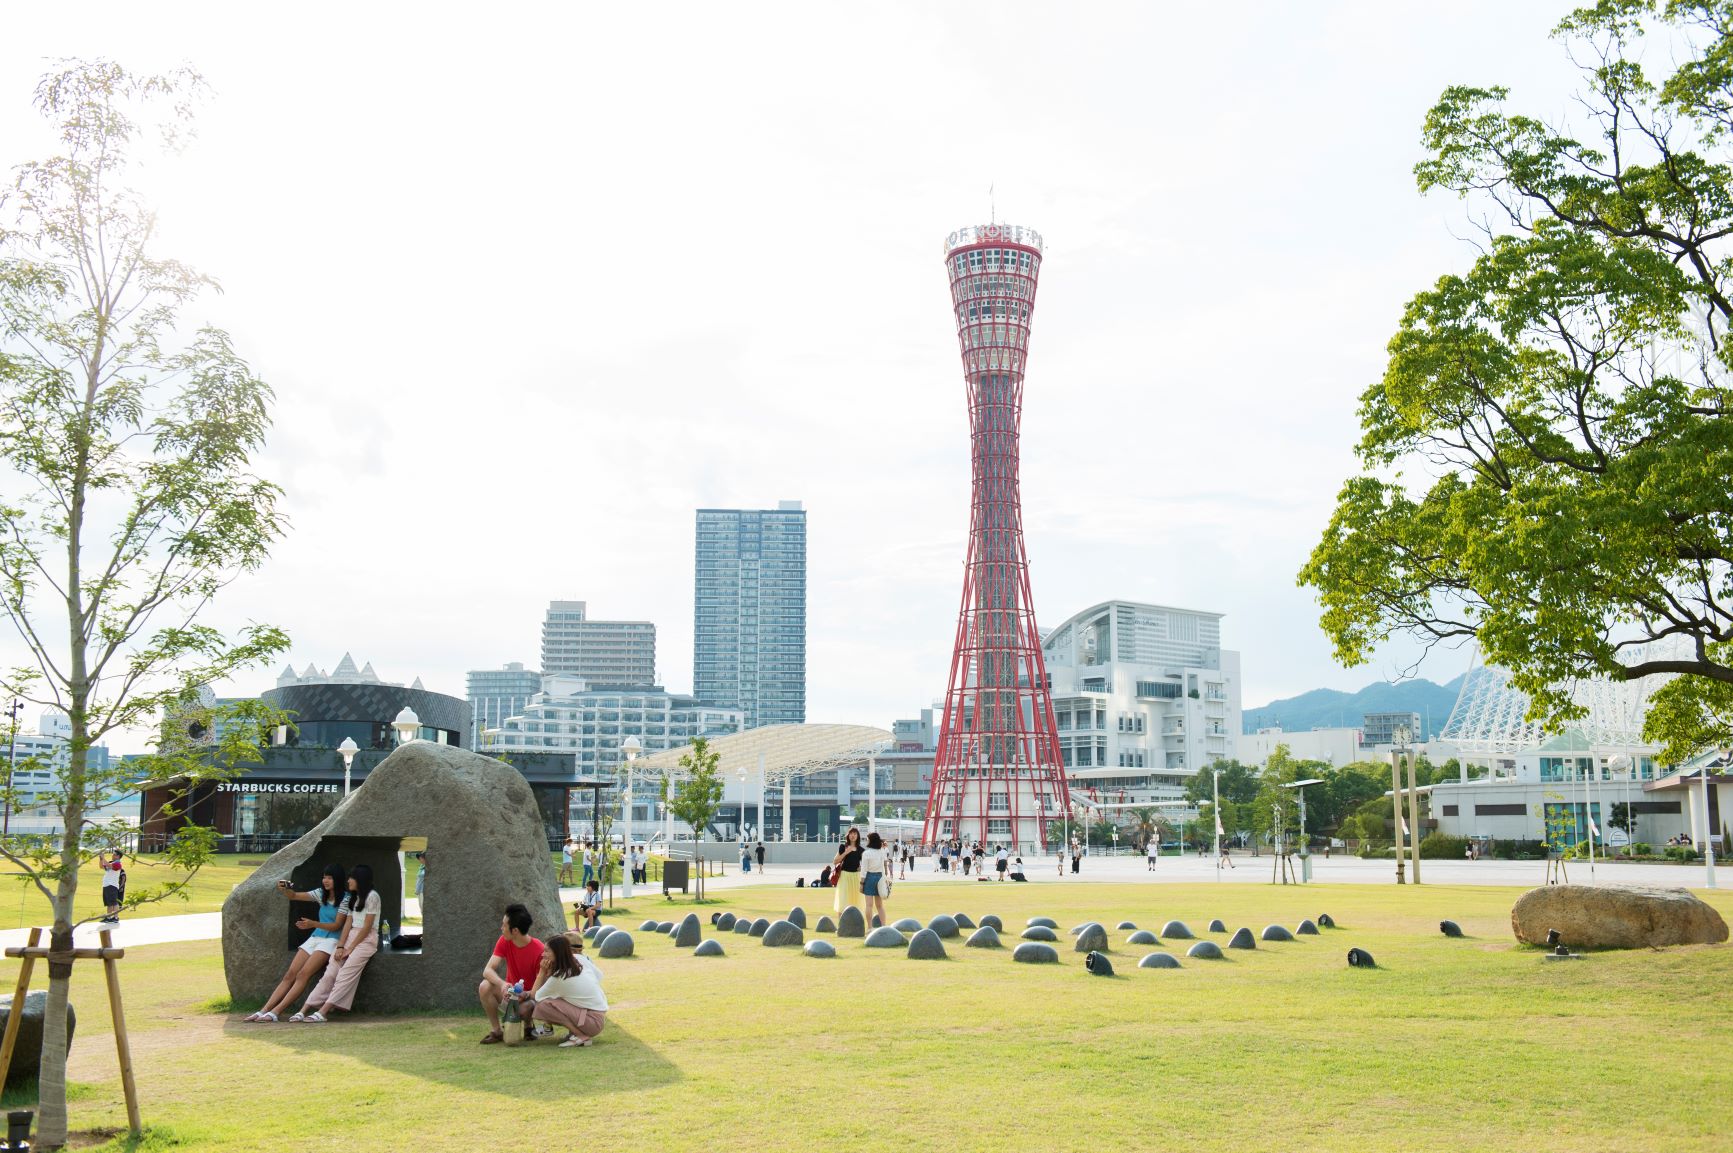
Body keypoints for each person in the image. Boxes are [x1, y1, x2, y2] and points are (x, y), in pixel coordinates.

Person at [248, 865, 349, 1023]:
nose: (325, 881)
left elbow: (337, 926)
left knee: (303, 974)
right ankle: (263, 1010)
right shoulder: (320, 893)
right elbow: (293, 895)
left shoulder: (346, 899)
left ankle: (276, 1012)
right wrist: (285, 889)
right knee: (290, 974)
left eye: (329, 878)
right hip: (316, 936)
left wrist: (313, 924)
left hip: (331, 940)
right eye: (324, 877)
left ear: (338, 879)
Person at [295, 863, 380, 1023]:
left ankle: (323, 1012)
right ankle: (304, 1009)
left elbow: (367, 926)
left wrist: (351, 948)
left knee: (345, 973)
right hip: (349, 937)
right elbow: (347, 924)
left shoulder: (372, 896)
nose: (348, 881)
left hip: (366, 940)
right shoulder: (352, 898)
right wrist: (341, 946)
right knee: (330, 972)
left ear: (360, 879)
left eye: (352, 878)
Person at [478, 903, 546, 1044]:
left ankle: (528, 1026)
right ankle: (497, 1031)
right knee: (484, 986)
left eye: (504, 925)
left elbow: (542, 987)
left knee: (526, 1007)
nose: (501, 928)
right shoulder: (504, 941)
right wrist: (503, 984)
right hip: (509, 995)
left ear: (515, 930)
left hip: (529, 999)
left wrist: (525, 994)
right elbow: (488, 970)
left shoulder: (539, 949)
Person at [532, 933, 608, 1048]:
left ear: (557, 953)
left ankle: (580, 1036)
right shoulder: (578, 959)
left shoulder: (559, 977)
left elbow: (535, 996)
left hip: (592, 1022)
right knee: (557, 999)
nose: (543, 954)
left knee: (543, 1006)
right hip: (597, 1016)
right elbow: (598, 976)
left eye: (547, 951)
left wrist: (542, 972)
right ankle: (576, 1033)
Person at [859, 831, 890, 925]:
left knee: (869, 905)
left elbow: (864, 871)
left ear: (870, 841)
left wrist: (861, 883)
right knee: (880, 906)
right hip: (880, 877)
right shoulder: (882, 851)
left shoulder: (866, 853)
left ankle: (869, 927)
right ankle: (884, 926)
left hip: (869, 877)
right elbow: (885, 864)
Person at [832, 827, 863, 915]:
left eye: (855, 834)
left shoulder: (861, 850)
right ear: (848, 835)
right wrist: (846, 852)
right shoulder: (843, 847)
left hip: (856, 877)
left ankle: (854, 925)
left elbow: (866, 864)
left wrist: (861, 868)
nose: (853, 835)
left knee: (856, 901)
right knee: (843, 901)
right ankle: (841, 926)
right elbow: (835, 861)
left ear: (858, 836)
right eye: (851, 833)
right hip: (845, 876)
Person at [100, 849, 126, 924]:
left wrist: (103, 857)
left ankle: (115, 917)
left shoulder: (118, 864)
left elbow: (109, 865)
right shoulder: (112, 863)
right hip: (107, 885)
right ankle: (109, 917)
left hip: (112, 885)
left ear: (118, 856)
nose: (112, 855)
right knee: (109, 903)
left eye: (114, 854)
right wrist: (101, 859)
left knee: (114, 903)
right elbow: (101, 866)